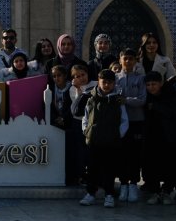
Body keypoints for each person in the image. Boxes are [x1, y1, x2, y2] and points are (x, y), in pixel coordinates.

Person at [75, 69, 128, 208]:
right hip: (94, 140)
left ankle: (109, 195)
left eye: (110, 83)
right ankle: (90, 194)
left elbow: (124, 121)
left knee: (109, 169)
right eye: (104, 82)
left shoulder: (117, 100)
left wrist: (117, 135)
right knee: (92, 168)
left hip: (111, 141)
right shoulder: (91, 99)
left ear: (114, 84)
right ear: (98, 82)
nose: (106, 85)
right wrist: (87, 132)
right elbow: (85, 118)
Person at [143, 70, 176, 204]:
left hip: (170, 137)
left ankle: (167, 191)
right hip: (152, 137)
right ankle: (155, 192)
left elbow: (175, 113)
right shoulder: (146, 97)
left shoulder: (172, 94)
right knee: (152, 166)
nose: (151, 87)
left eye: (154, 84)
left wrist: (156, 107)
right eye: (149, 85)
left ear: (161, 83)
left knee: (170, 165)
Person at [115, 49, 147, 202]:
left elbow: (142, 99)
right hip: (120, 123)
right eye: (125, 58)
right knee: (121, 155)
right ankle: (123, 185)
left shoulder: (141, 79)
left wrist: (126, 100)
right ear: (120, 60)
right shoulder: (115, 79)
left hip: (136, 122)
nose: (127, 61)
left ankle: (133, 184)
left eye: (131, 59)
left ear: (135, 61)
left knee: (134, 155)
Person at [48, 65, 82, 188]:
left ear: (65, 76)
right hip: (56, 125)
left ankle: (72, 177)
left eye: (59, 75)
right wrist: (55, 119)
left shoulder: (72, 88)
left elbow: (74, 104)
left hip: (70, 124)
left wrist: (64, 118)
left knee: (71, 152)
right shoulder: (50, 89)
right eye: (54, 76)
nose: (57, 78)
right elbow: (46, 106)